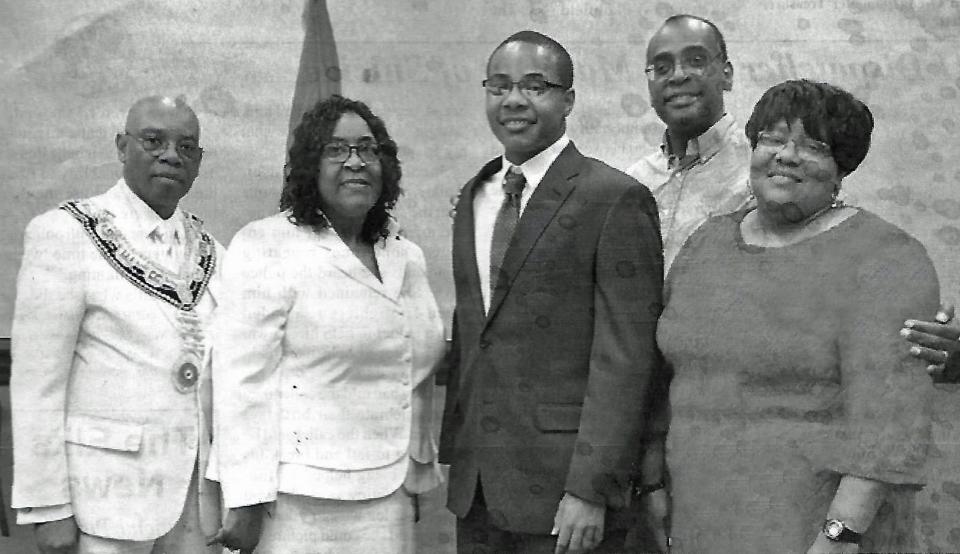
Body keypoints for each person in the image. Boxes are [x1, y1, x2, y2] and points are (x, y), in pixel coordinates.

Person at [655, 79, 939, 553]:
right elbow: (666, 375)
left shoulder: (886, 257)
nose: (786, 155)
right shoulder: (706, 245)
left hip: (815, 530)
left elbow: (890, 423)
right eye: (772, 138)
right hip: (699, 518)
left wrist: (841, 535)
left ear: (841, 169)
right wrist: (652, 485)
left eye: (813, 146)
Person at [438, 31, 666, 553]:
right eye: (499, 86)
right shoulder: (477, 193)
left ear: (567, 101)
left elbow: (626, 359)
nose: (513, 100)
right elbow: (480, 333)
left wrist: (591, 487)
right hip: (477, 489)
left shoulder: (613, 198)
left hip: (567, 496)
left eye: (534, 86)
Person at [207, 94, 445, 554]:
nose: (355, 162)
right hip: (296, 502)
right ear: (309, 167)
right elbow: (241, 383)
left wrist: (413, 471)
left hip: (389, 495)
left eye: (367, 149)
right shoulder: (265, 243)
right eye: (336, 150)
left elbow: (413, 371)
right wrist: (245, 499)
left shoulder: (404, 255)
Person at [9, 95, 222, 553]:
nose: (171, 155)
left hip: (197, 501)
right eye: (153, 140)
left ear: (199, 163)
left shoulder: (212, 250)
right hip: (104, 503)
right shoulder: (66, 233)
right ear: (122, 146)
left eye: (187, 147)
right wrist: (48, 507)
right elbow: (36, 385)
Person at [626, 14, 751, 273]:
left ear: (727, 75)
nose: (678, 76)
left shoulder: (761, 171)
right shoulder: (634, 182)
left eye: (696, 61)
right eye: (661, 68)